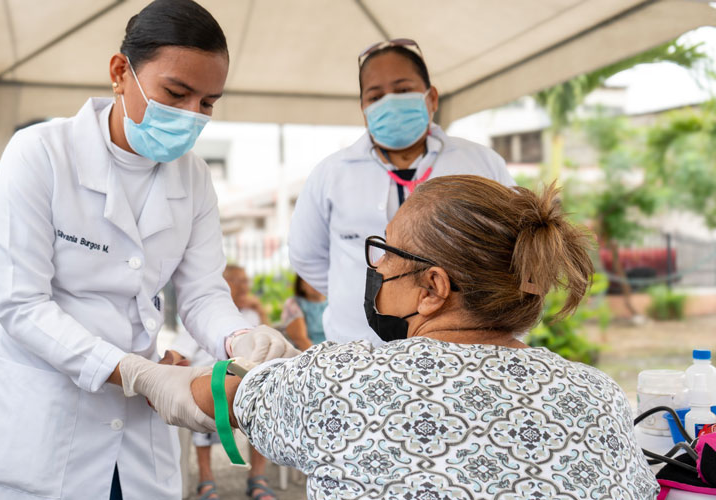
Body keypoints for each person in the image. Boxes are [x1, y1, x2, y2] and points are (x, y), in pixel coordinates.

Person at [0, 2, 296, 499]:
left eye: (207, 103)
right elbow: (22, 306)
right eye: (176, 93)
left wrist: (240, 338)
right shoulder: (40, 155)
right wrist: (139, 373)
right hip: (42, 420)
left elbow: (201, 293)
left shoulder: (195, 176)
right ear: (120, 72)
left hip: (136, 432)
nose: (191, 116)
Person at [156, 176, 659, 498]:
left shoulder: (343, 377)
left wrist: (147, 375)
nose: (375, 269)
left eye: (387, 255)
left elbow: (214, 391)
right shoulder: (599, 394)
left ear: (433, 287)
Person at [289, 38, 515, 347]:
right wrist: (359, 293)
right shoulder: (331, 173)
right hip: (359, 347)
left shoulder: (480, 162)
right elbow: (306, 256)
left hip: (465, 347)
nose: (390, 102)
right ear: (364, 109)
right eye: (376, 95)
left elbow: (510, 248)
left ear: (431, 98)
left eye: (403, 90)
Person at [185, 264, 277, 500]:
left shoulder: (251, 314)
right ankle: (207, 481)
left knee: (263, 409)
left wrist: (259, 309)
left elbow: (267, 340)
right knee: (202, 407)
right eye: (241, 281)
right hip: (210, 377)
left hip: (244, 380)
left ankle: (257, 479)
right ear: (226, 285)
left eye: (246, 281)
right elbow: (182, 350)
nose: (246, 286)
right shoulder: (202, 314)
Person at [281, 275, 327, 350]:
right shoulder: (294, 304)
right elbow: (300, 340)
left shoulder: (334, 301)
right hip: (313, 354)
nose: (316, 283)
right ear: (301, 285)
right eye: (311, 280)